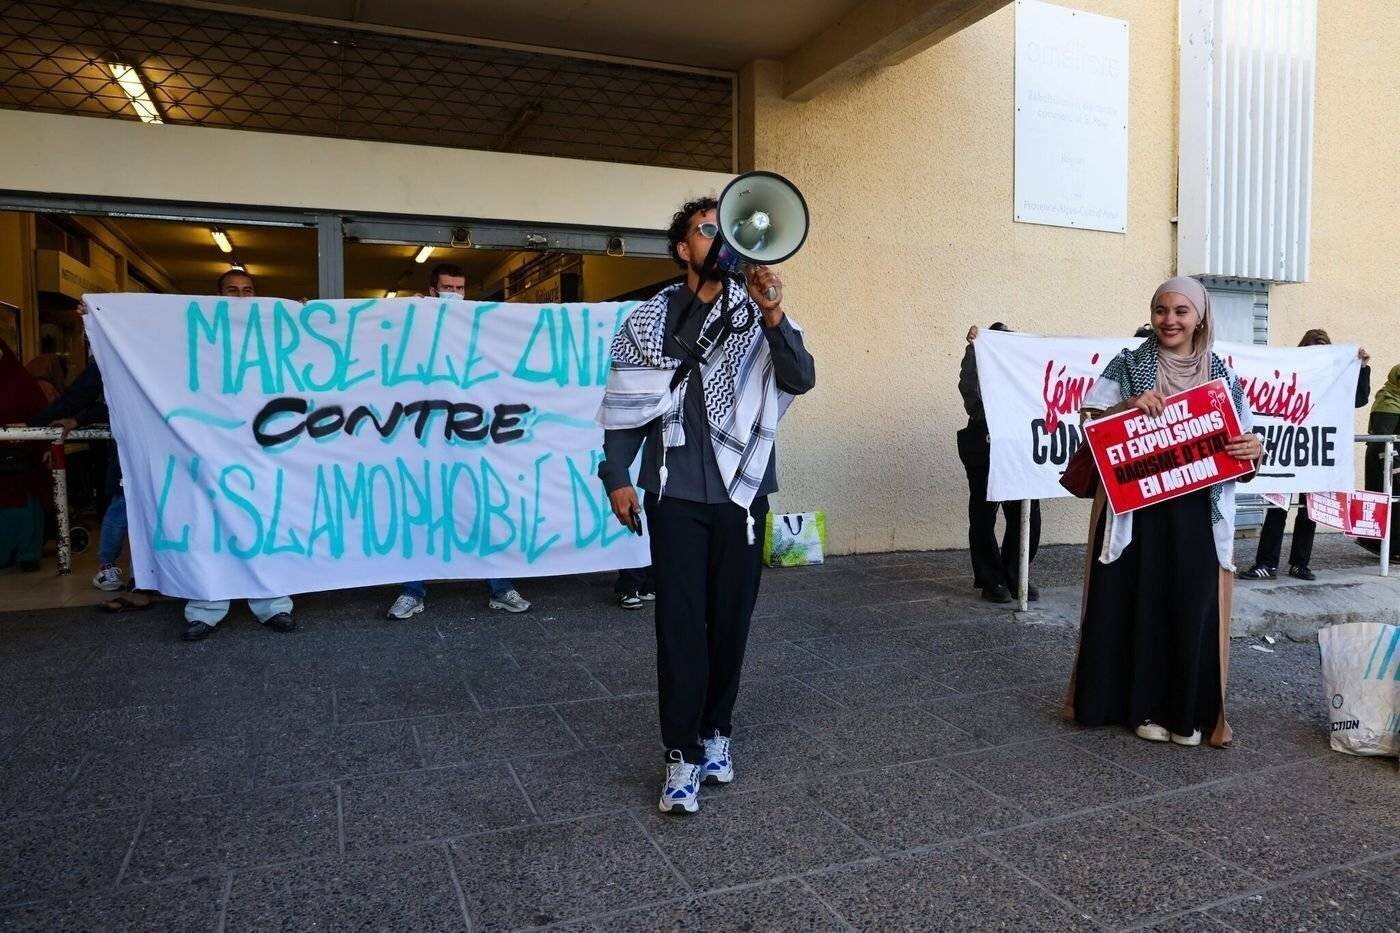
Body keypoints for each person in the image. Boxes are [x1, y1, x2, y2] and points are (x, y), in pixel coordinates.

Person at [597, 196, 815, 814]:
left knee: (731, 620)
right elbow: (629, 399)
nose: (720, 238)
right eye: (706, 230)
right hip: (675, 495)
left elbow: (799, 377)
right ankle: (680, 755)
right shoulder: (648, 320)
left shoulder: (758, 315)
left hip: (743, 497)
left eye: (728, 229)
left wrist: (772, 312)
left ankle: (718, 730)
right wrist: (616, 474)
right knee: (679, 626)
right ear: (682, 249)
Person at [1064, 276, 1263, 748]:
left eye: (1180, 311)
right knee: (1142, 598)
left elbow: (1247, 440)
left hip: (1198, 510)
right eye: (1160, 310)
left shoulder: (1221, 373)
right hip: (1138, 509)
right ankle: (1141, 709)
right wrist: (1129, 406)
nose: (1169, 320)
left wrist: (1253, 448)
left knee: (1191, 604)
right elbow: (1091, 418)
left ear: (1200, 316)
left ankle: (1186, 713)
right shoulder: (1130, 363)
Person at [384, 262, 531, 620]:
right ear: (432, 290)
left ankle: (500, 587)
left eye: (460, 288)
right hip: (423, 437)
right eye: (447, 287)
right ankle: (411, 591)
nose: (454, 294)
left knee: (482, 509)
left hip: (473, 436)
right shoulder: (413, 318)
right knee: (422, 512)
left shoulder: (478, 324)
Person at [183, 269, 297, 640]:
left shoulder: (271, 334)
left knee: (265, 524)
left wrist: (301, 320)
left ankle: (273, 604)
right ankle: (206, 607)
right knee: (210, 528)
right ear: (218, 296)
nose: (241, 297)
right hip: (210, 449)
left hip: (262, 451)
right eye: (232, 291)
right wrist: (99, 317)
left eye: (248, 291)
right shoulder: (196, 337)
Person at [1239, 331, 1371, 581]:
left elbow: (1359, 399)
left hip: (1312, 450)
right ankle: (1266, 564)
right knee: (1277, 508)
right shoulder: (1290, 372)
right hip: (1287, 449)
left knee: (1309, 511)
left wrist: (1361, 367)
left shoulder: (1334, 377)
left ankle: (1300, 563)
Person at [957, 323, 1041, 603]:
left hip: (1019, 441)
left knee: (1026, 511)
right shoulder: (977, 359)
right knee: (983, 511)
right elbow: (970, 393)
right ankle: (991, 578)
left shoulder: (1024, 366)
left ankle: (1016, 573)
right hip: (986, 438)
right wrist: (974, 348)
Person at [0, 338, 51, 572]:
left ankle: (27, 553)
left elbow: (41, 415)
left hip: (24, 460)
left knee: (25, 506)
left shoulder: (22, 383)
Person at [1359, 363, 1400, 557]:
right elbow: (1383, 438)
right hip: (1386, 460)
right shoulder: (1388, 401)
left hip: (1393, 459)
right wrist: (1394, 466)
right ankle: (1390, 549)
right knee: (1391, 504)